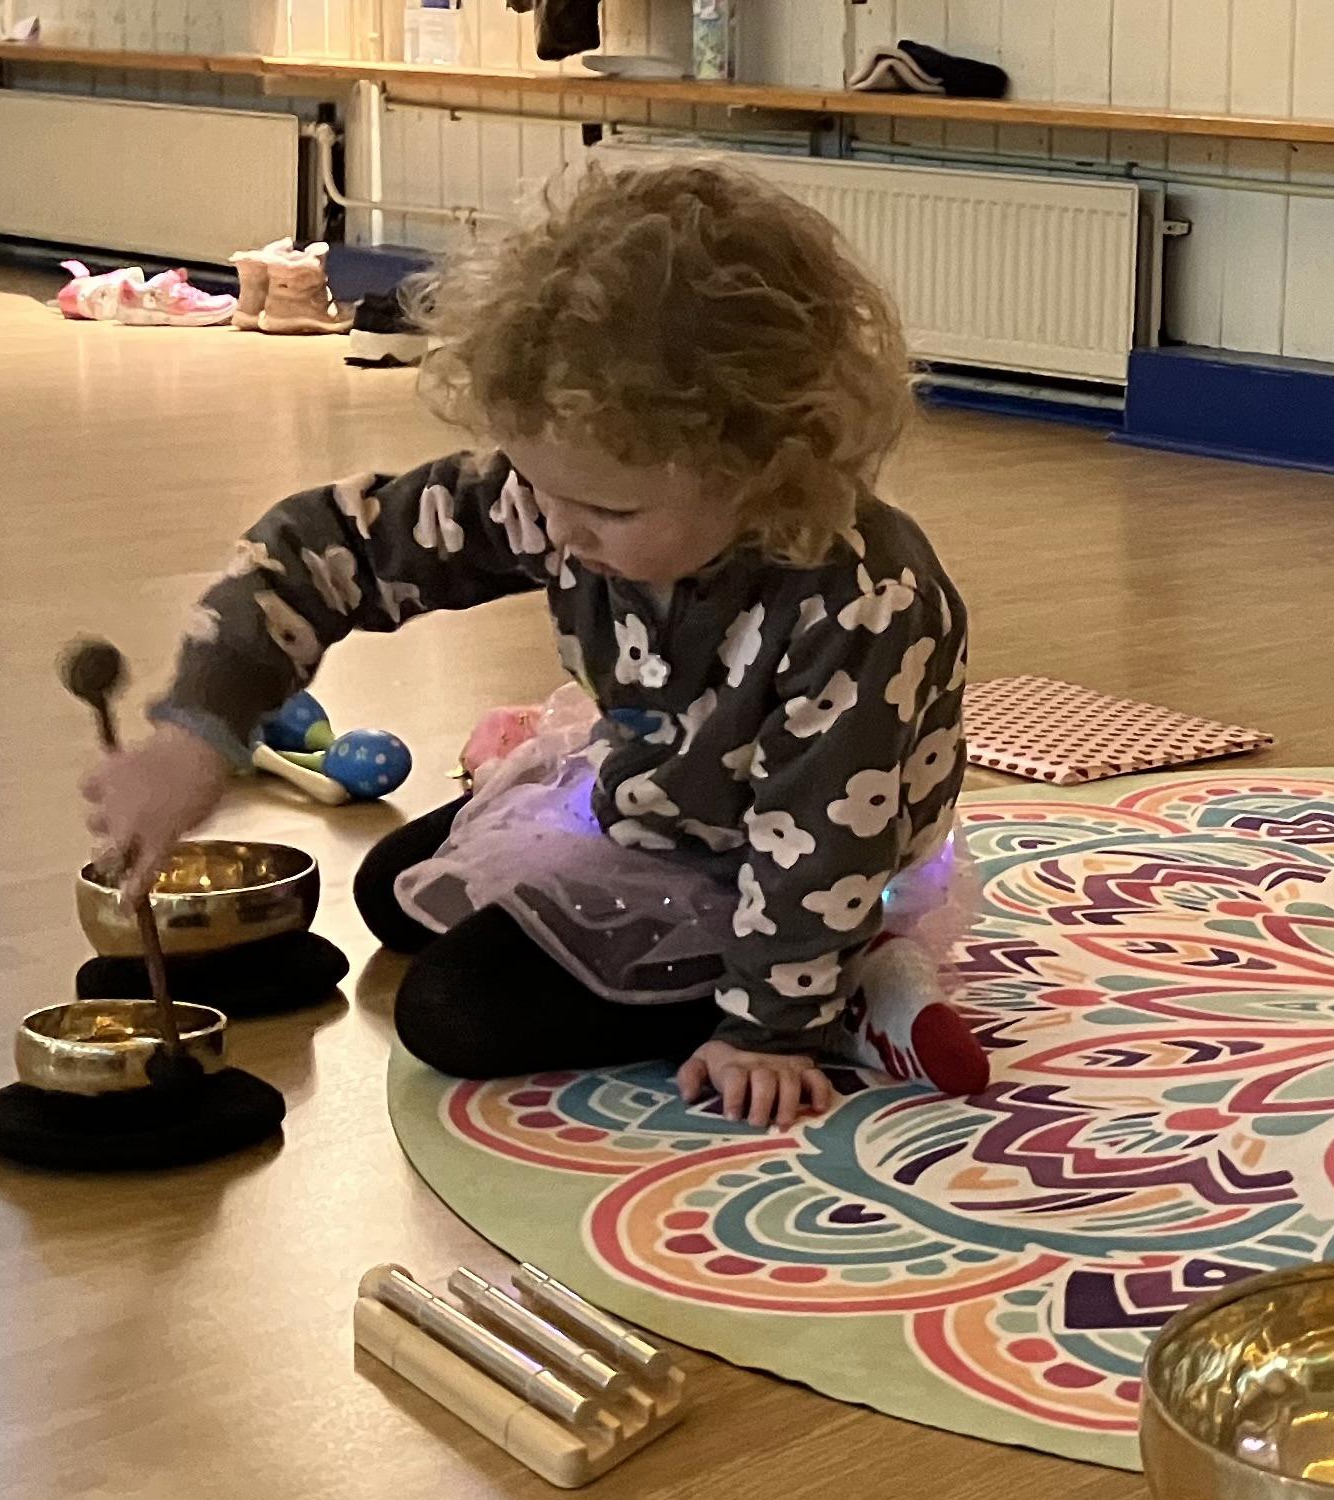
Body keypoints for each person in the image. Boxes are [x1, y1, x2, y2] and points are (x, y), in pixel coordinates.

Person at [83, 157, 978, 1128]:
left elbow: (820, 844)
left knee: (452, 1011)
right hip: (659, 796)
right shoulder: (563, 494)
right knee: (391, 890)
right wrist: (199, 728)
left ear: (767, 460)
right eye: (537, 483)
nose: (556, 528)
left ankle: (856, 986)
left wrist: (768, 1027)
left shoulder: (866, 603)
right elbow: (330, 547)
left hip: (802, 866)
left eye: (603, 506)